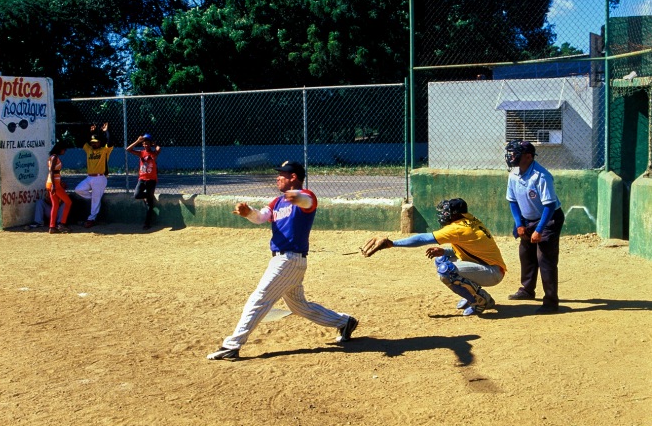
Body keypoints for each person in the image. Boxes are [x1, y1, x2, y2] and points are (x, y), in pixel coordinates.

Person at [206, 160, 358, 360]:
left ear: (293, 177)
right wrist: (248, 212)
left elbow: (306, 202)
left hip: (289, 260)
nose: (277, 178)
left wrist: (292, 195)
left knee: (259, 298)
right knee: (300, 307)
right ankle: (345, 322)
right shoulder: (277, 202)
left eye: (282, 175)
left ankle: (232, 346)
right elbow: (261, 217)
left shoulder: (307, 197)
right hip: (285, 261)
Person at [361, 198, 506, 316]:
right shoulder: (469, 220)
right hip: (486, 266)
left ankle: (480, 300)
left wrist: (392, 243)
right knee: (441, 259)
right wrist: (445, 252)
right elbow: (471, 249)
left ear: (455, 214)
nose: (443, 215)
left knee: (446, 270)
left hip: (492, 273)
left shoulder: (457, 228)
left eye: (446, 212)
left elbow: (422, 239)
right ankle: (471, 294)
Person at [505, 139, 564, 314]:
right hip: (527, 218)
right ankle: (527, 290)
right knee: (526, 253)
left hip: (548, 219)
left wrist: (539, 230)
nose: (511, 157)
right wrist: (519, 224)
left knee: (545, 259)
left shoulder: (541, 176)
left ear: (529, 157)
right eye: (510, 153)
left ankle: (551, 302)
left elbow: (550, 206)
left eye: (515, 153)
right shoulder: (514, 173)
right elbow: (512, 200)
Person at [75, 123, 113, 229]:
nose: (93, 144)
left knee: (96, 200)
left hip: (100, 177)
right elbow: (80, 140)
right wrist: (90, 132)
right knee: (78, 189)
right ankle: (96, 198)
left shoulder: (104, 150)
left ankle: (91, 219)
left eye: (95, 142)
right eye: (92, 142)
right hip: (90, 177)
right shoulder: (89, 149)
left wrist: (106, 131)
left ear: (100, 142)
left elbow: (110, 142)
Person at [126, 133, 161, 230]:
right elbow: (128, 149)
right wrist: (137, 141)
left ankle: (147, 223)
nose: (146, 145)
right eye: (144, 143)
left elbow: (159, 149)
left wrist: (154, 145)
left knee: (150, 204)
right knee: (137, 195)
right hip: (142, 179)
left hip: (151, 180)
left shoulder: (154, 153)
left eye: (148, 143)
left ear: (151, 144)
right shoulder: (141, 153)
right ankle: (148, 196)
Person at [46, 143, 72, 234]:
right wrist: (54, 184)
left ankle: (52, 226)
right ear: (60, 149)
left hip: (51, 183)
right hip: (54, 184)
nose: (64, 151)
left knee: (55, 205)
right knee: (68, 202)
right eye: (64, 149)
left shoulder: (52, 157)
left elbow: (53, 172)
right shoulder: (55, 158)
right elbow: (52, 171)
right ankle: (62, 224)